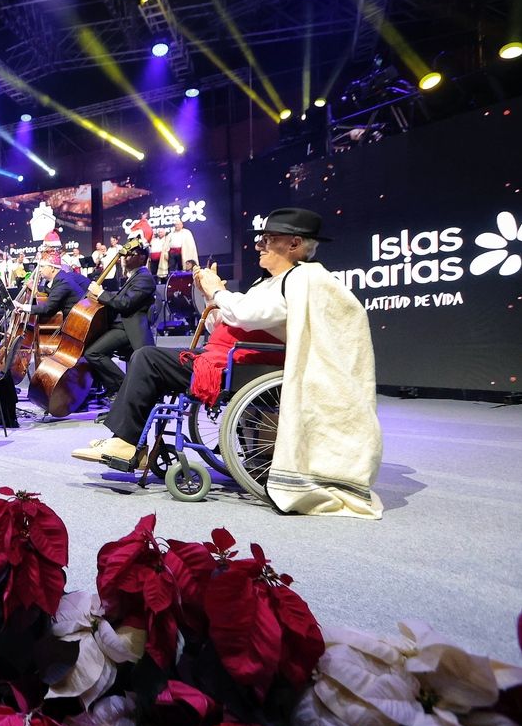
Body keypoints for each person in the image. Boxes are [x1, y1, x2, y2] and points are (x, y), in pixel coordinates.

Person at [70, 209, 382, 518]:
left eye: (268, 240)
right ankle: (126, 441)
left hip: (244, 366)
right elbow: (225, 321)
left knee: (147, 358)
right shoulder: (272, 283)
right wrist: (210, 297)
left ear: (294, 244)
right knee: (149, 359)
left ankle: (125, 443)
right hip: (228, 357)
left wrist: (219, 290)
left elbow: (247, 314)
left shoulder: (301, 279)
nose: (259, 246)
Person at [83, 240, 156, 403]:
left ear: (142, 257)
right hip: (120, 325)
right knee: (91, 348)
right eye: (126, 254)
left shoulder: (144, 278)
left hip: (128, 328)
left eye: (131, 254)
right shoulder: (135, 276)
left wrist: (101, 293)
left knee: (93, 353)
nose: (126, 257)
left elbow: (125, 303)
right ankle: (112, 389)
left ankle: (121, 387)